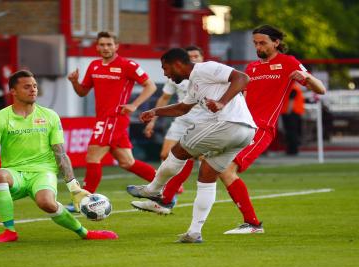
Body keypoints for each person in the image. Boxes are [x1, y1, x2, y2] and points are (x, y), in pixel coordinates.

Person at [128, 25, 326, 235]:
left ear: (276, 42)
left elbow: (320, 89)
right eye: (255, 43)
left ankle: (252, 224)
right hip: (238, 123)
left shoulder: (288, 63)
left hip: (261, 128)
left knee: (224, 170)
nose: (258, 47)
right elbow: (240, 98)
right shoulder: (252, 68)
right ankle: (172, 206)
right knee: (205, 166)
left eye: (263, 43)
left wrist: (308, 79)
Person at [0, 70, 118, 242]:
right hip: (15, 173)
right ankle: (9, 231)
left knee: (47, 203)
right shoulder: (0, 118)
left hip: (43, 173)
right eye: (27, 87)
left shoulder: (50, 116)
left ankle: (84, 233)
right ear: (13, 91)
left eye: (34, 86)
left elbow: (60, 153)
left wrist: (74, 187)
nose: (33, 89)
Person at [128, 48, 256, 243]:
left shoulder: (206, 68)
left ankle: (154, 190)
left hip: (227, 124)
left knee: (178, 150)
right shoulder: (194, 84)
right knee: (207, 174)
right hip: (245, 132)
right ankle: (194, 232)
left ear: (178, 63)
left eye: (166, 68)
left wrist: (221, 103)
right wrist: (155, 112)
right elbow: (181, 108)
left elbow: (243, 78)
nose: (165, 74)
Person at [66, 31, 157, 210]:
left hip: (114, 117)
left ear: (116, 46)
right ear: (97, 46)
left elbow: (151, 85)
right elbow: (83, 92)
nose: (106, 48)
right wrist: (74, 82)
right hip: (104, 118)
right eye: (102, 44)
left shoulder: (127, 65)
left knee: (92, 155)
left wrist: (135, 104)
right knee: (126, 162)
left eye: (109, 44)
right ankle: (170, 186)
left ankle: (84, 199)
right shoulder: (94, 66)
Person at [134, 45, 205, 213]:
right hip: (181, 120)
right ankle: (166, 195)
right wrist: (152, 121)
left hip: (201, 121)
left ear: (202, 58)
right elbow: (164, 98)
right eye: (191, 56)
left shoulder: (205, 75)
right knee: (166, 155)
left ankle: (192, 193)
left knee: (201, 162)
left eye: (197, 55)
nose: (194, 58)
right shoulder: (175, 76)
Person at [281, 84, 305, 155]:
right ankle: (292, 149)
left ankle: (292, 150)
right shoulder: (295, 87)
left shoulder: (292, 88)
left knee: (291, 132)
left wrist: (288, 111)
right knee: (292, 131)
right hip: (294, 112)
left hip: (290, 112)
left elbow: (291, 100)